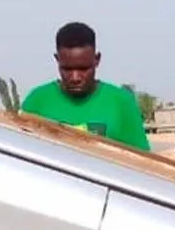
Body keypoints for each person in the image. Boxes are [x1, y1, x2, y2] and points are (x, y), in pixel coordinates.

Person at [20, 22, 150, 151]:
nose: (75, 77)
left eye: (83, 69)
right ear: (57, 59)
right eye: (67, 69)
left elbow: (142, 163)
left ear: (97, 59)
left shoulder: (121, 103)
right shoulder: (36, 102)